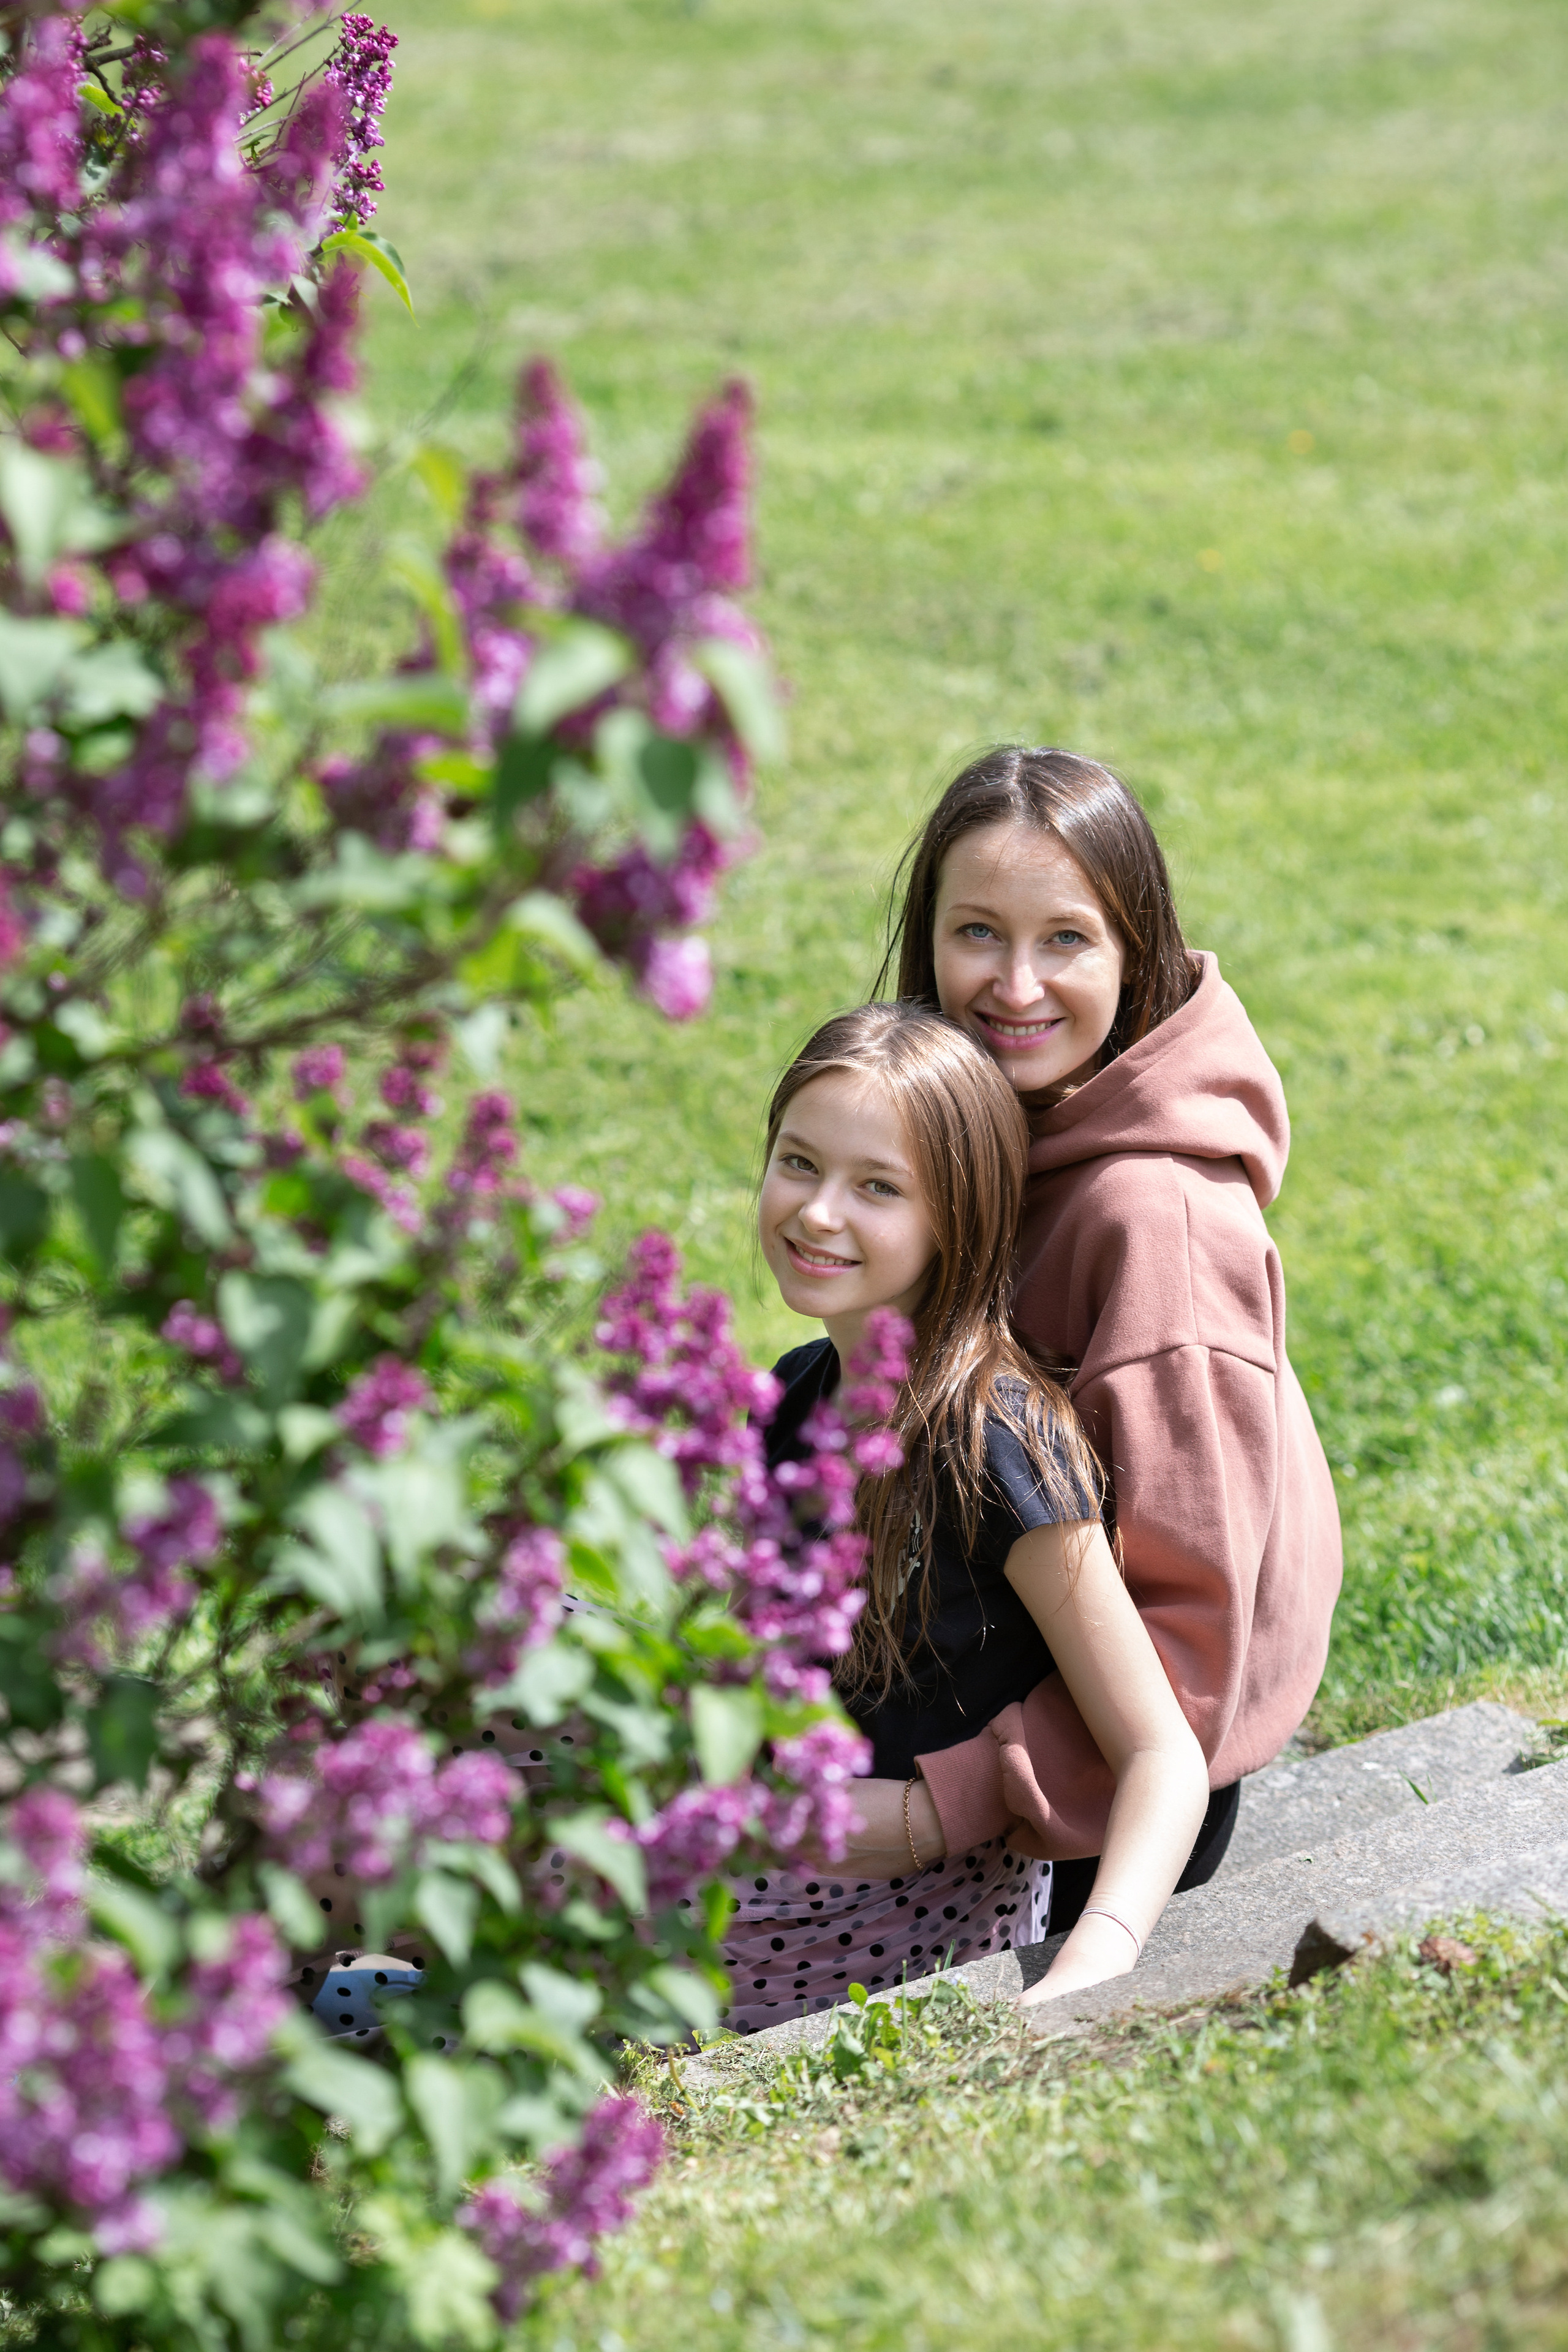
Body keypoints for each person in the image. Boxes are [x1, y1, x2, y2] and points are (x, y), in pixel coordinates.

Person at [837, 746, 1342, 1936]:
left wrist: (931, 1809)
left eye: (1064, 940)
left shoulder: (1150, 1223)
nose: (1014, 984)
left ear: (1136, 954)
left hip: (1100, 1809)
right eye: (976, 934)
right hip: (977, 1708)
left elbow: (1193, 1652)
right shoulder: (985, 1130)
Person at [720, 1001, 1210, 2032]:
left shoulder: (994, 1440)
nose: (816, 1213)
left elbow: (1162, 1753)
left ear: (958, 1217)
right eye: (798, 1163)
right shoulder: (794, 1394)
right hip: (775, 1851)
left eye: (878, 1189)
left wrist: (1098, 1958)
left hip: (899, 1919)